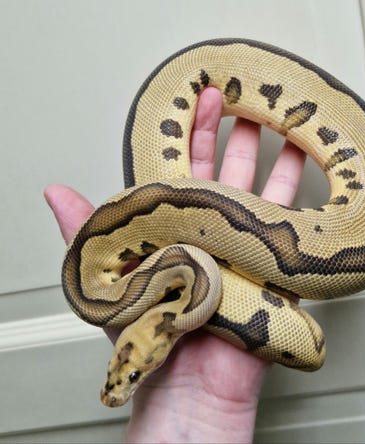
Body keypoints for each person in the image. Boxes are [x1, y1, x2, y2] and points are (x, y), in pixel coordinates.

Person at [45, 87, 306, 443]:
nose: (120, 391)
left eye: (130, 376)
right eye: (132, 376)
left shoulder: (139, 299)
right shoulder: (151, 301)